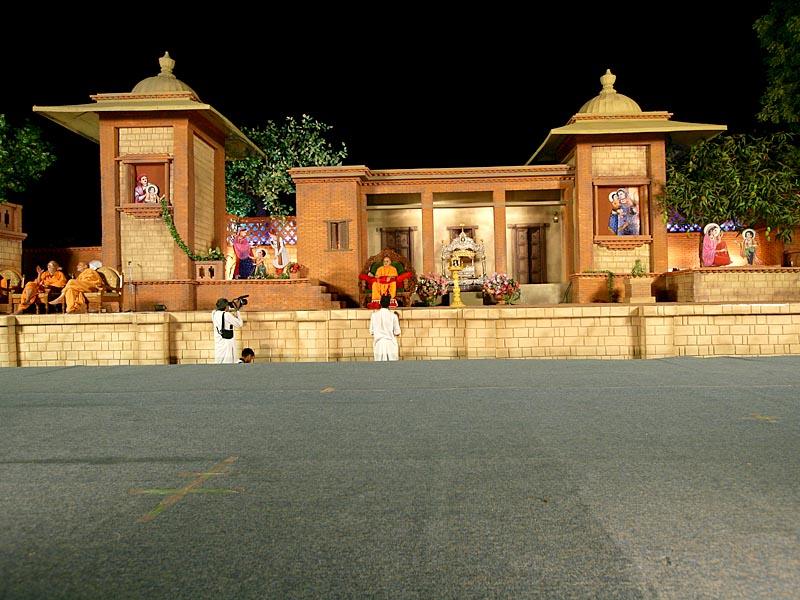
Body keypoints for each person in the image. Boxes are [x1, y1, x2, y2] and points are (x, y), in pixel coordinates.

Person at [369, 294, 401, 361]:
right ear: (389, 303)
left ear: (380, 303)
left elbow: (371, 332)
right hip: (391, 345)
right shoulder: (393, 316)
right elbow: (397, 332)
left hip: (378, 345)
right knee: (392, 366)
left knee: (379, 366)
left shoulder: (374, 315)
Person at [212, 297, 244, 364]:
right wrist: (237, 310)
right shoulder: (227, 315)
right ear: (226, 306)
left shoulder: (214, 313)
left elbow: (219, 311)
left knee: (219, 363)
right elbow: (240, 324)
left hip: (218, 342)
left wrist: (230, 306)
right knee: (228, 362)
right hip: (227, 343)